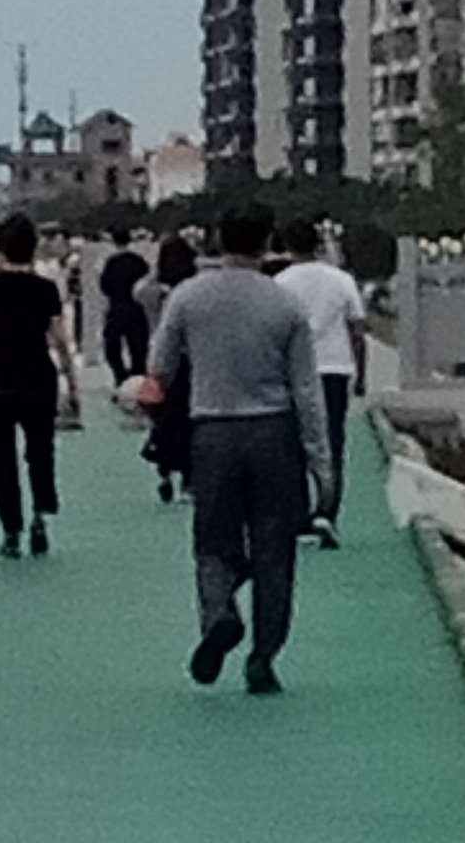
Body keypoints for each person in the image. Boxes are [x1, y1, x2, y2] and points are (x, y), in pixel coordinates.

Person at [146, 206, 329, 695]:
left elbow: (159, 368)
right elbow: (306, 389)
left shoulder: (187, 297)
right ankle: (263, 658)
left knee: (212, 541)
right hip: (274, 433)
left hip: (213, 432)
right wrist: (319, 459)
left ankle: (219, 613)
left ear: (218, 240)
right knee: (275, 549)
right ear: (267, 243)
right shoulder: (285, 304)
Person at [0, 214, 79, 557]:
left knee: (2, 456)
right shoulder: (45, 289)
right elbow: (60, 340)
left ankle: (11, 529)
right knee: (40, 450)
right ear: (33, 247)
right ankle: (40, 514)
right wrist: (71, 383)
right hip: (37, 376)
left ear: (0, 247)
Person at [275, 219, 368, 548]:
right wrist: (362, 374)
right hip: (334, 369)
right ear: (317, 244)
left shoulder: (280, 283)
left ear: (288, 245)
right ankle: (327, 512)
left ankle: (299, 516)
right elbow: (358, 330)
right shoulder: (341, 280)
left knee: (294, 445)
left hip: (294, 373)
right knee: (332, 443)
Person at [139, 235, 199, 502]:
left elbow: (137, 292)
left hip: (159, 357)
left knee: (162, 416)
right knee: (189, 418)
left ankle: (164, 469)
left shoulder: (153, 292)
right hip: (190, 359)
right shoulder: (193, 293)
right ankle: (188, 478)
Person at [98, 228, 151, 386]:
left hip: (116, 307)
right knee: (138, 346)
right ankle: (138, 377)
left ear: (113, 241)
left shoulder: (111, 262)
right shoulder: (139, 261)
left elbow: (104, 286)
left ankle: (120, 377)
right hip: (136, 307)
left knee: (112, 346)